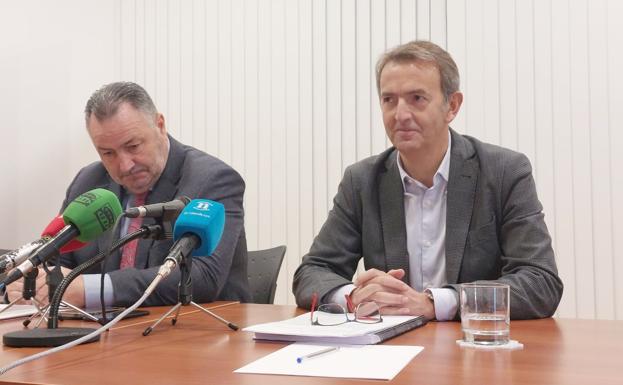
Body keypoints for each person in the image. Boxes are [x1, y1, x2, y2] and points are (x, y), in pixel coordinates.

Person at [292, 40, 563, 321]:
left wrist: (436, 303)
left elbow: (540, 281)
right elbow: (312, 272)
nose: (400, 115)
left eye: (417, 99)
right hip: (389, 351)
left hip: (472, 349)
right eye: (389, 100)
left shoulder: (504, 171)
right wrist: (353, 296)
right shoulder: (362, 181)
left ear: (452, 106)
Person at [8, 81, 250, 308]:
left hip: (198, 334)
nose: (124, 165)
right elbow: (63, 262)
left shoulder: (212, 179)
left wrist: (88, 289)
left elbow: (202, 277)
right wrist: (35, 283)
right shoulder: (88, 182)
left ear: (160, 126)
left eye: (133, 146)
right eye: (108, 153)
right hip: (105, 334)